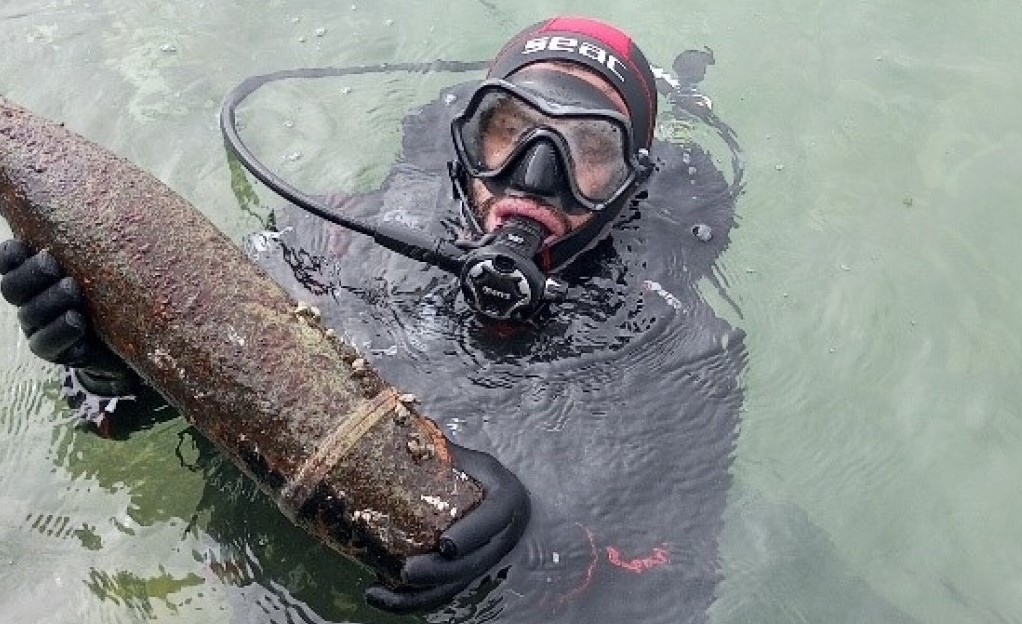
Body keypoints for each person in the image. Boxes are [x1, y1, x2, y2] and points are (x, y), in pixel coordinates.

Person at [1, 16, 745, 621]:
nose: (533, 173)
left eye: (588, 149)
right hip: (260, 579)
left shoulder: (684, 355)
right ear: (465, 137)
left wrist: (540, 552)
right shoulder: (334, 238)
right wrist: (107, 363)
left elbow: (670, 593)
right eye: (508, 128)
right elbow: (153, 405)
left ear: (631, 186)